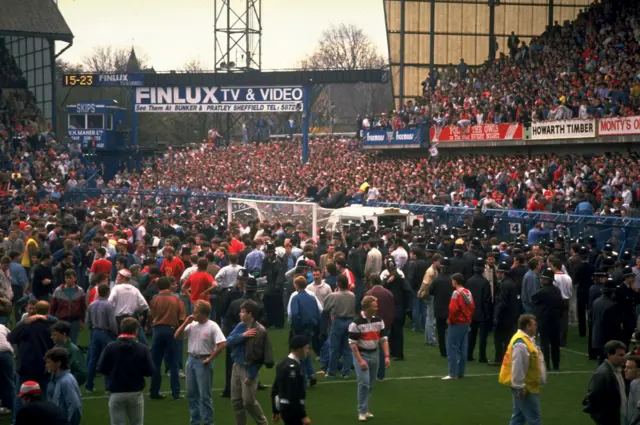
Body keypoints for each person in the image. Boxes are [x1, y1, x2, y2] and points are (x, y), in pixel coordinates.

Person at [174, 300, 227, 425]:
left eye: (196, 312)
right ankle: (195, 421)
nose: (193, 314)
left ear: (204, 314)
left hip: (203, 360)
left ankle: (209, 422)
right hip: (191, 360)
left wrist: (210, 358)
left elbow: (222, 344)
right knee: (191, 394)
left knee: (204, 396)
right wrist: (186, 322)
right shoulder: (192, 325)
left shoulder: (212, 326)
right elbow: (177, 336)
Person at [98, 317, 154, 425]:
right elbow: (149, 371)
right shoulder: (142, 348)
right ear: (135, 330)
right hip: (135, 392)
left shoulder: (110, 347)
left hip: (116, 393)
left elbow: (101, 368)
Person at [226, 300, 270, 425]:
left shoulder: (260, 331)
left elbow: (260, 357)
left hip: (249, 369)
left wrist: (251, 375)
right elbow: (228, 341)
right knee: (236, 401)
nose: (240, 314)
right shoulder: (241, 326)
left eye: (242, 311)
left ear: (250, 314)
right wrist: (243, 335)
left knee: (248, 401)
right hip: (237, 366)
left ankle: (263, 423)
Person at [348, 295, 390, 422]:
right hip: (362, 355)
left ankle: (365, 409)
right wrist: (360, 360)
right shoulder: (355, 323)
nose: (377, 307)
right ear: (366, 308)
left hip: (374, 354)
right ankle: (361, 410)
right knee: (364, 383)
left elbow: (384, 340)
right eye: (374, 306)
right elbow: (352, 343)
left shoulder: (379, 321)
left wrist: (387, 356)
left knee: (371, 384)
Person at [498, 314, 547, 425]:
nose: (536, 326)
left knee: (518, 417)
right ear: (527, 326)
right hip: (526, 387)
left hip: (527, 385)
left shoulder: (525, 340)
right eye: (534, 324)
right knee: (534, 418)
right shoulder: (521, 343)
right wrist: (519, 387)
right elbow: (518, 367)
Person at [148, 276, 186, 400]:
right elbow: (182, 318)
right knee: (173, 363)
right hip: (172, 330)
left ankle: (154, 391)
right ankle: (176, 393)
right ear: (169, 286)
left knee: (156, 362)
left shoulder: (155, 299)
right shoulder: (177, 299)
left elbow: (151, 315)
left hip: (158, 330)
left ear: (158, 287)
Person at [583, 340, 627, 425]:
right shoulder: (603, 374)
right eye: (620, 355)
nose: (623, 358)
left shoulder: (618, 370)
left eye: (624, 355)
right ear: (609, 355)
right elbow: (591, 399)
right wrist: (603, 419)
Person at [271, 335, 312, 425]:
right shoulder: (293, 367)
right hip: (292, 409)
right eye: (306, 348)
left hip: (283, 407)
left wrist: (275, 410)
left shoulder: (282, 363)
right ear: (299, 349)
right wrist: (303, 415)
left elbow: (275, 388)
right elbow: (293, 394)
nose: (308, 351)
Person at [288, 276, 321, 386]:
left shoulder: (296, 298)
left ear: (296, 285)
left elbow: (294, 314)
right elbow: (317, 311)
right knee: (306, 351)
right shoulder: (312, 297)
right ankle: (311, 373)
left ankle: (304, 379)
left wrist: (295, 326)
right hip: (310, 328)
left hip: (300, 329)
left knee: (299, 353)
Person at [85, 283, 118, 392]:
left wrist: (92, 329)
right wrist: (115, 333)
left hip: (95, 332)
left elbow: (87, 322)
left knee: (93, 360)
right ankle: (108, 386)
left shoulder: (92, 304)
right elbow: (112, 323)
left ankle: (89, 385)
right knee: (108, 359)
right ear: (108, 293)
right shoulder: (109, 305)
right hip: (106, 333)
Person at [323, 274, 356, 378]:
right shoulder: (352, 295)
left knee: (334, 348)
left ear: (338, 283)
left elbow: (325, 307)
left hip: (338, 321)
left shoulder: (334, 295)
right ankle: (346, 372)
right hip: (350, 321)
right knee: (347, 348)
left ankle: (331, 372)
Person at [443, 273, 474, 380]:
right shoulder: (468, 292)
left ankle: (452, 373)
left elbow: (453, 309)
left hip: (456, 323)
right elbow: (472, 307)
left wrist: (450, 320)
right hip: (466, 323)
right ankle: (461, 372)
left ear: (455, 281)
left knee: (452, 348)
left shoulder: (456, 293)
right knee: (463, 348)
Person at [532, 268, 563, 371]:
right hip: (556, 321)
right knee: (555, 344)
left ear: (547, 280)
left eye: (543, 278)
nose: (541, 280)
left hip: (544, 321)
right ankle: (556, 364)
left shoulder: (542, 292)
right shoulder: (557, 290)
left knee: (544, 344)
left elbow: (533, 300)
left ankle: (546, 365)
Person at [382, 258, 412, 362]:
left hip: (394, 309)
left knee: (394, 332)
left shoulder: (393, 280)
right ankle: (395, 353)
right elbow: (408, 292)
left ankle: (396, 353)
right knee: (395, 332)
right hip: (397, 309)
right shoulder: (400, 280)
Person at [44, 347, 82, 425]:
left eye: (49, 362)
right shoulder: (54, 379)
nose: (46, 365)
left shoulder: (66, 381)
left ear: (58, 363)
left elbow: (75, 407)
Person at [48, 269, 86, 344]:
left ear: (75, 278)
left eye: (70, 278)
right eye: (66, 278)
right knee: (60, 341)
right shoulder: (58, 291)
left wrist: (82, 320)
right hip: (61, 320)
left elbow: (83, 307)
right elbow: (52, 307)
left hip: (75, 321)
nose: (68, 280)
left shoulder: (80, 291)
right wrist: (50, 320)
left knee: (73, 342)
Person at [493, 261, 520, 366]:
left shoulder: (504, 285)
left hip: (504, 317)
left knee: (499, 339)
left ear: (502, 273)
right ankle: (507, 358)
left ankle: (499, 359)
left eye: (498, 272)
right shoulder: (512, 283)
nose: (497, 274)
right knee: (508, 339)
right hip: (511, 316)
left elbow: (501, 303)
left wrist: (496, 317)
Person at [592, 279, 624, 364]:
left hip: (596, 336)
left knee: (601, 362)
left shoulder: (596, 302)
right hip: (607, 339)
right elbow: (613, 326)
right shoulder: (611, 306)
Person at [466, 258, 492, 363]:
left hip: (471, 312)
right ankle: (482, 356)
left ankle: (469, 354)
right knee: (483, 337)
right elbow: (487, 300)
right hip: (482, 313)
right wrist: (488, 314)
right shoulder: (485, 283)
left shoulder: (469, 281)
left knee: (471, 335)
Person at [50, 321, 87, 387]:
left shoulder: (74, 350)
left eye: (54, 334)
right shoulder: (56, 347)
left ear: (64, 334)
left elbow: (82, 374)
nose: (51, 337)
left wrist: (68, 383)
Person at [429, 257, 454, 358]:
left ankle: (443, 351)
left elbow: (430, 291)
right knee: (450, 331)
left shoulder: (437, 279)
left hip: (439, 307)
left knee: (440, 332)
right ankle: (450, 349)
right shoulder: (452, 279)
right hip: (451, 308)